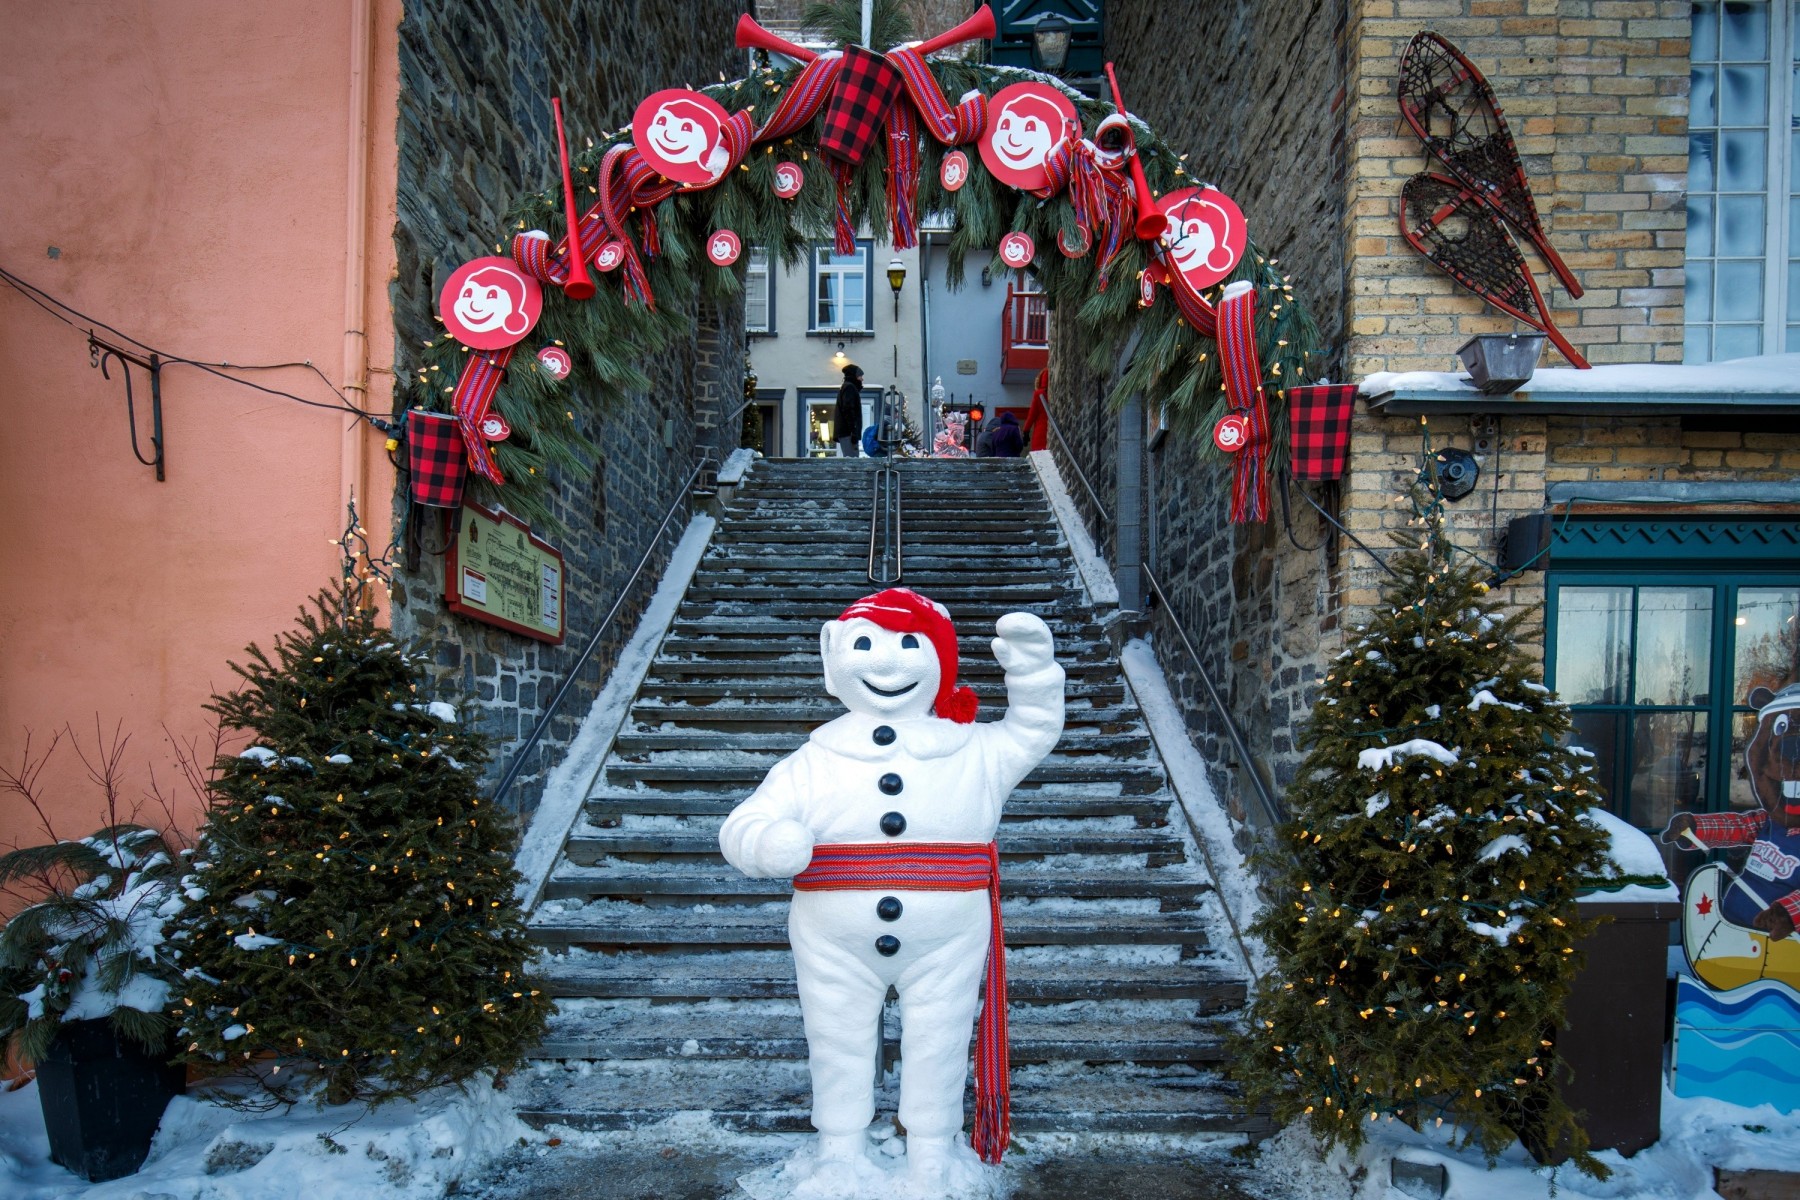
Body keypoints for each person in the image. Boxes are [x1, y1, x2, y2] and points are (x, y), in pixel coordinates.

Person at [835, 364, 864, 458]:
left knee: (851, 459)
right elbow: (848, 410)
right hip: (848, 433)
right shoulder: (850, 388)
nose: (862, 379)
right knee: (852, 461)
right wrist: (853, 431)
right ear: (854, 376)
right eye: (860, 376)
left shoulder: (847, 387)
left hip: (847, 433)